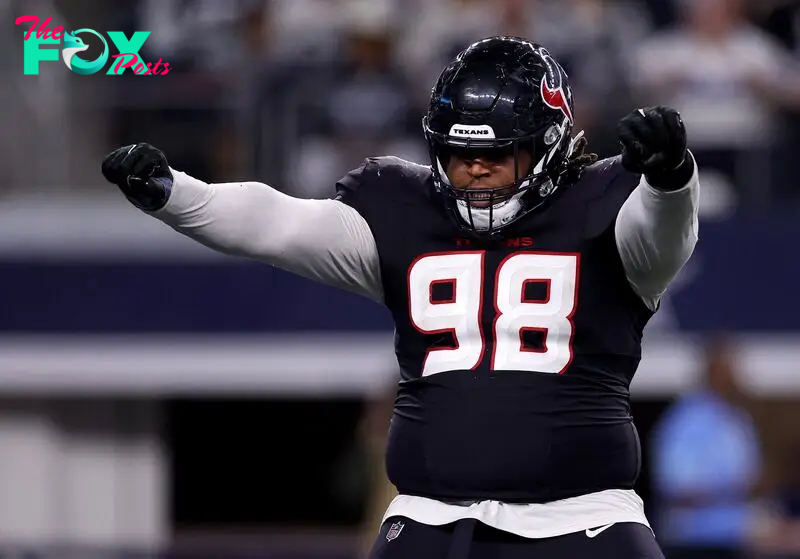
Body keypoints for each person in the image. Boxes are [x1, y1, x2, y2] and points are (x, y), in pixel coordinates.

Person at [101, 37, 699, 559]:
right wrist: (174, 194)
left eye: (494, 154)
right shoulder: (405, 213)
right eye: (459, 154)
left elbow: (665, 227)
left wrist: (671, 174)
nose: (473, 171)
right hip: (429, 518)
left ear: (547, 147)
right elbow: (279, 224)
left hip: (583, 521)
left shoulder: (606, 210)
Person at [651, 339, 763, 559]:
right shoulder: (685, 421)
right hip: (695, 543)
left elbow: (754, 477)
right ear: (712, 372)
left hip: (737, 540)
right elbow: (677, 488)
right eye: (728, 371)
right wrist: (731, 490)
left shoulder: (738, 419)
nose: (736, 379)